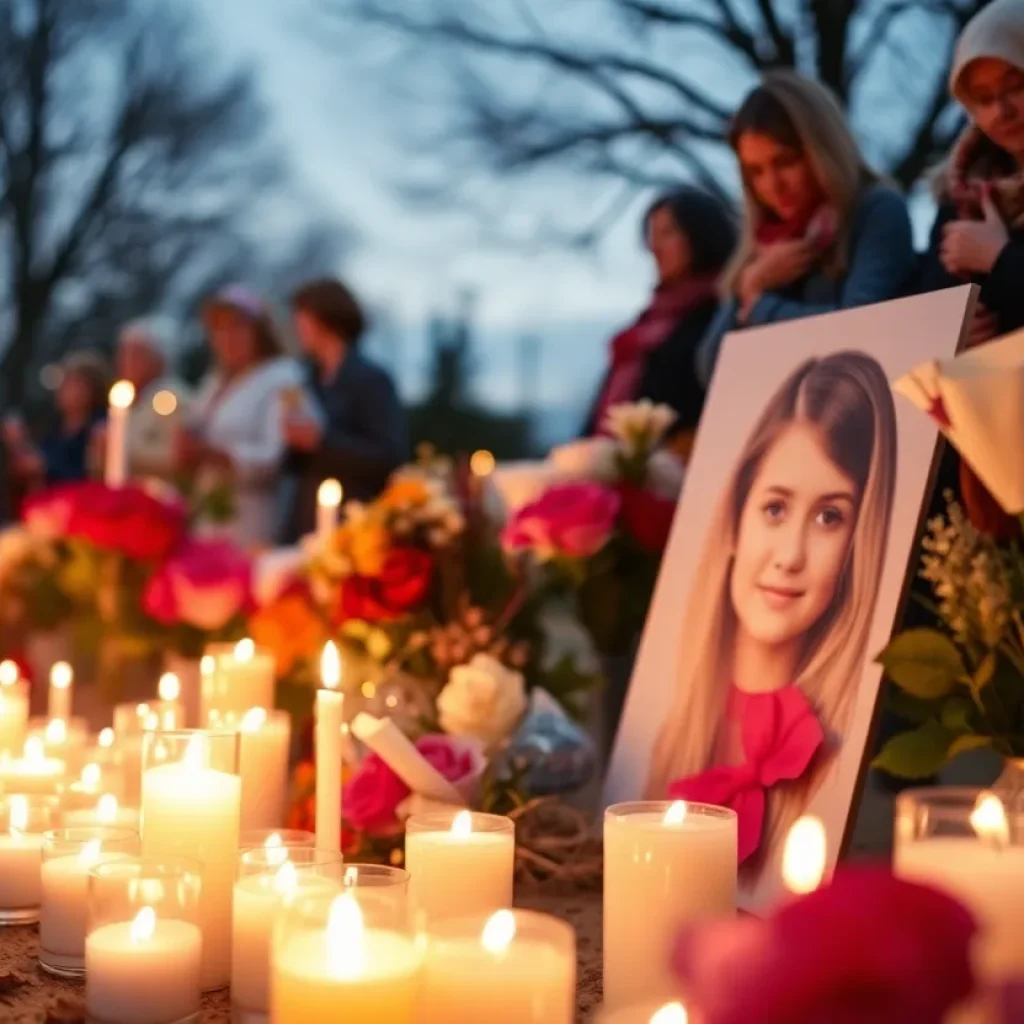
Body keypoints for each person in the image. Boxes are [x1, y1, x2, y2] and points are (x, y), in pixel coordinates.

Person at [643, 352, 897, 885]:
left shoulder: (838, 756)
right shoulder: (668, 734)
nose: (790, 555)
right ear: (735, 519)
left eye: (830, 517)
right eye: (776, 508)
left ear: (858, 545)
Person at [696, 72, 916, 384]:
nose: (773, 186)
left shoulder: (875, 210)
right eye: (756, 171)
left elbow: (862, 332)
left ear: (822, 149)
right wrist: (749, 285)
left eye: (785, 162)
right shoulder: (765, 240)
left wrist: (761, 307)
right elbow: (710, 371)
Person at [917, 0, 1024, 540]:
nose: (1002, 109)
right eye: (983, 99)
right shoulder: (957, 195)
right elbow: (919, 310)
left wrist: (999, 260)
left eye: (1016, 83)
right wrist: (952, 328)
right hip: (978, 461)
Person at [584, 188, 736, 457]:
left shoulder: (722, 314)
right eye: (651, 235)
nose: (654, 247)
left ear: (700, 235)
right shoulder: (645, 324)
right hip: (614, 463)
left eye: (667, 233)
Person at [283, 277, 408, 540]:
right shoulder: (306, 380)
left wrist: (322, 441)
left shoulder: (371, 380)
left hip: (356, 525)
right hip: (307, 521)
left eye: (302, 317)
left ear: (324, 319)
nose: (297, 326)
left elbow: (388, 456)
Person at [180, 285, 305, 549]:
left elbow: (276, 457)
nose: (227, 337)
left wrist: (216, 455)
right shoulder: (214, 382)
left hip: (253, 521)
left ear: (260, 332)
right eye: (219, 329)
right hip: (208, 518)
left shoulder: (284, 378)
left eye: (237, 327)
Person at [93, 317, 191, 485]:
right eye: (124, 353)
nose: (127, 361)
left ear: (158, 360)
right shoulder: (125, 400)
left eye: (136, 354)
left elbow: (179, 459)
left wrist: (118, 450)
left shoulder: (171, 397)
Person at [3, 352, 109, 494]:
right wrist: (18, 445)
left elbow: (88, 475)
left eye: (71, 383)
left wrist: (42, 467)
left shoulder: (100, 429)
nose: (62, 389)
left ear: (90, 389)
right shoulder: (54, 426)